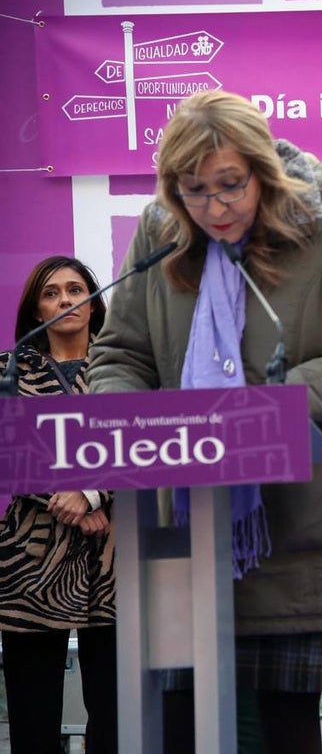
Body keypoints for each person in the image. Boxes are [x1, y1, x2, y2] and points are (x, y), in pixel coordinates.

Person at [86, 90, 322, 753]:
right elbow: (121, 352)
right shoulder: (161, 230)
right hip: (180, 529)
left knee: (281, 731)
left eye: (231, 185)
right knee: (179, 730)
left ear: (263, 169)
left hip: (299, 529)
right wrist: (125, 422)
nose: (214, 207)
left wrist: (276, 402)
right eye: (194, 190)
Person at [0, 256, 116, 754]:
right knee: (32, 712)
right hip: (31, 559)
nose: (65, 300)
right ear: (35, 308)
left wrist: (96, 492)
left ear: (94, 303)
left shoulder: (126, 368)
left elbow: (149, 438)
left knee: (116, 711)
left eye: (76, 289)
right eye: (51, 292)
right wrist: (65, 497)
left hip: (117, 557)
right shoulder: (6, 369)